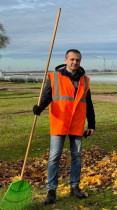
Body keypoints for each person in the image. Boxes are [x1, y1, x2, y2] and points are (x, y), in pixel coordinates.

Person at [33, 49, 95, 205]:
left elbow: (89, 104)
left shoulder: (85, 80)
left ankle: (74, 187)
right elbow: (47, 97)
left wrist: (92, 123)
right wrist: (39, 108)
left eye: (78, 60)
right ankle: (51, 190)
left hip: (77, 124)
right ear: (66, 60)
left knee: (77, 156)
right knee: (54, 157)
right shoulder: (54, 77)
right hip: (59, 122)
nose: (75, 62)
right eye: (72, 59)